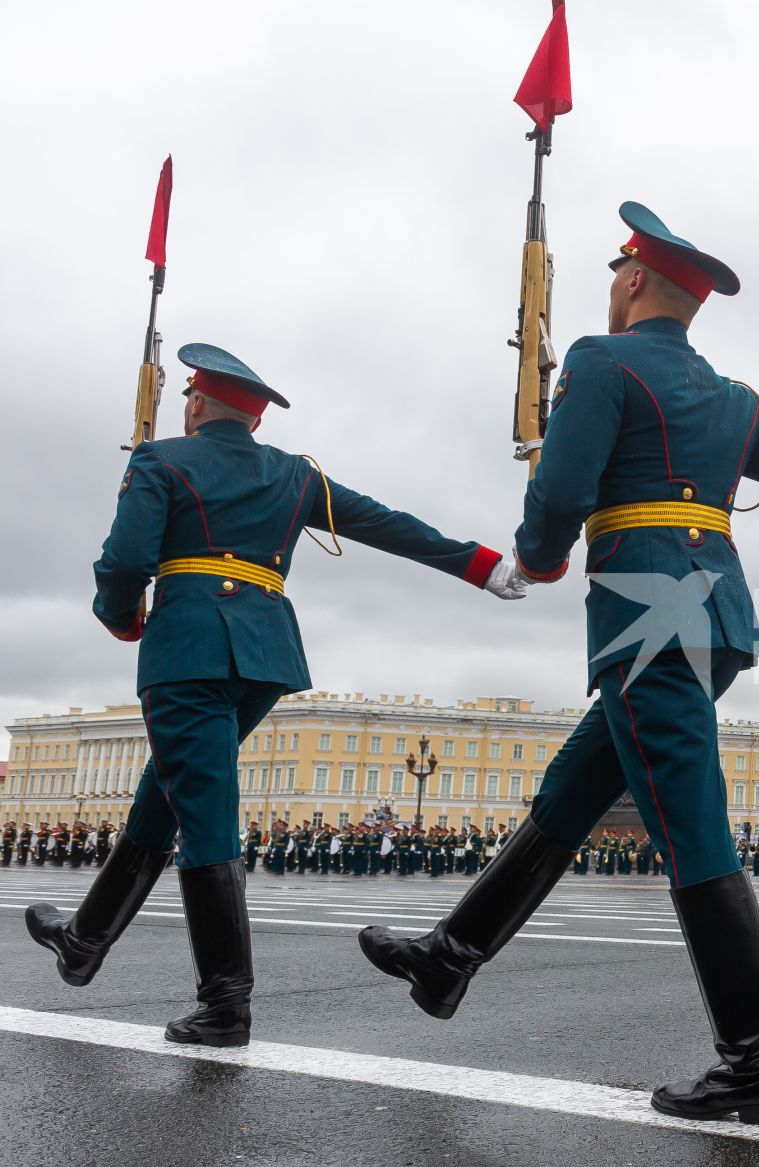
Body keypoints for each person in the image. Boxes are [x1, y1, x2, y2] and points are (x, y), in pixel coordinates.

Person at [359, 200, 759, 1125]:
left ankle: (757, 1064)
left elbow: (561, 498)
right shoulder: (733, 400)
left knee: (691, 829)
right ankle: (450, 957)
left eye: (615, 278)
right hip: (710, 613)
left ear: (630, 281)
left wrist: (537, 558)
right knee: (573, 792)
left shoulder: (599, 361)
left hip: (642, 615)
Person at [23, 343, 524, 1046]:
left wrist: (120, 614)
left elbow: (127, 561)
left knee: (204, 816)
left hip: (188, 650)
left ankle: (226, 1003)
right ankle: (83, 940)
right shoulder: (294, 475)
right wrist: (481, 565)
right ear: (255, 421)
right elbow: (384, 523)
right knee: (169, 792)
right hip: (263, 654)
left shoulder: (159, 460)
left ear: (196, 402)